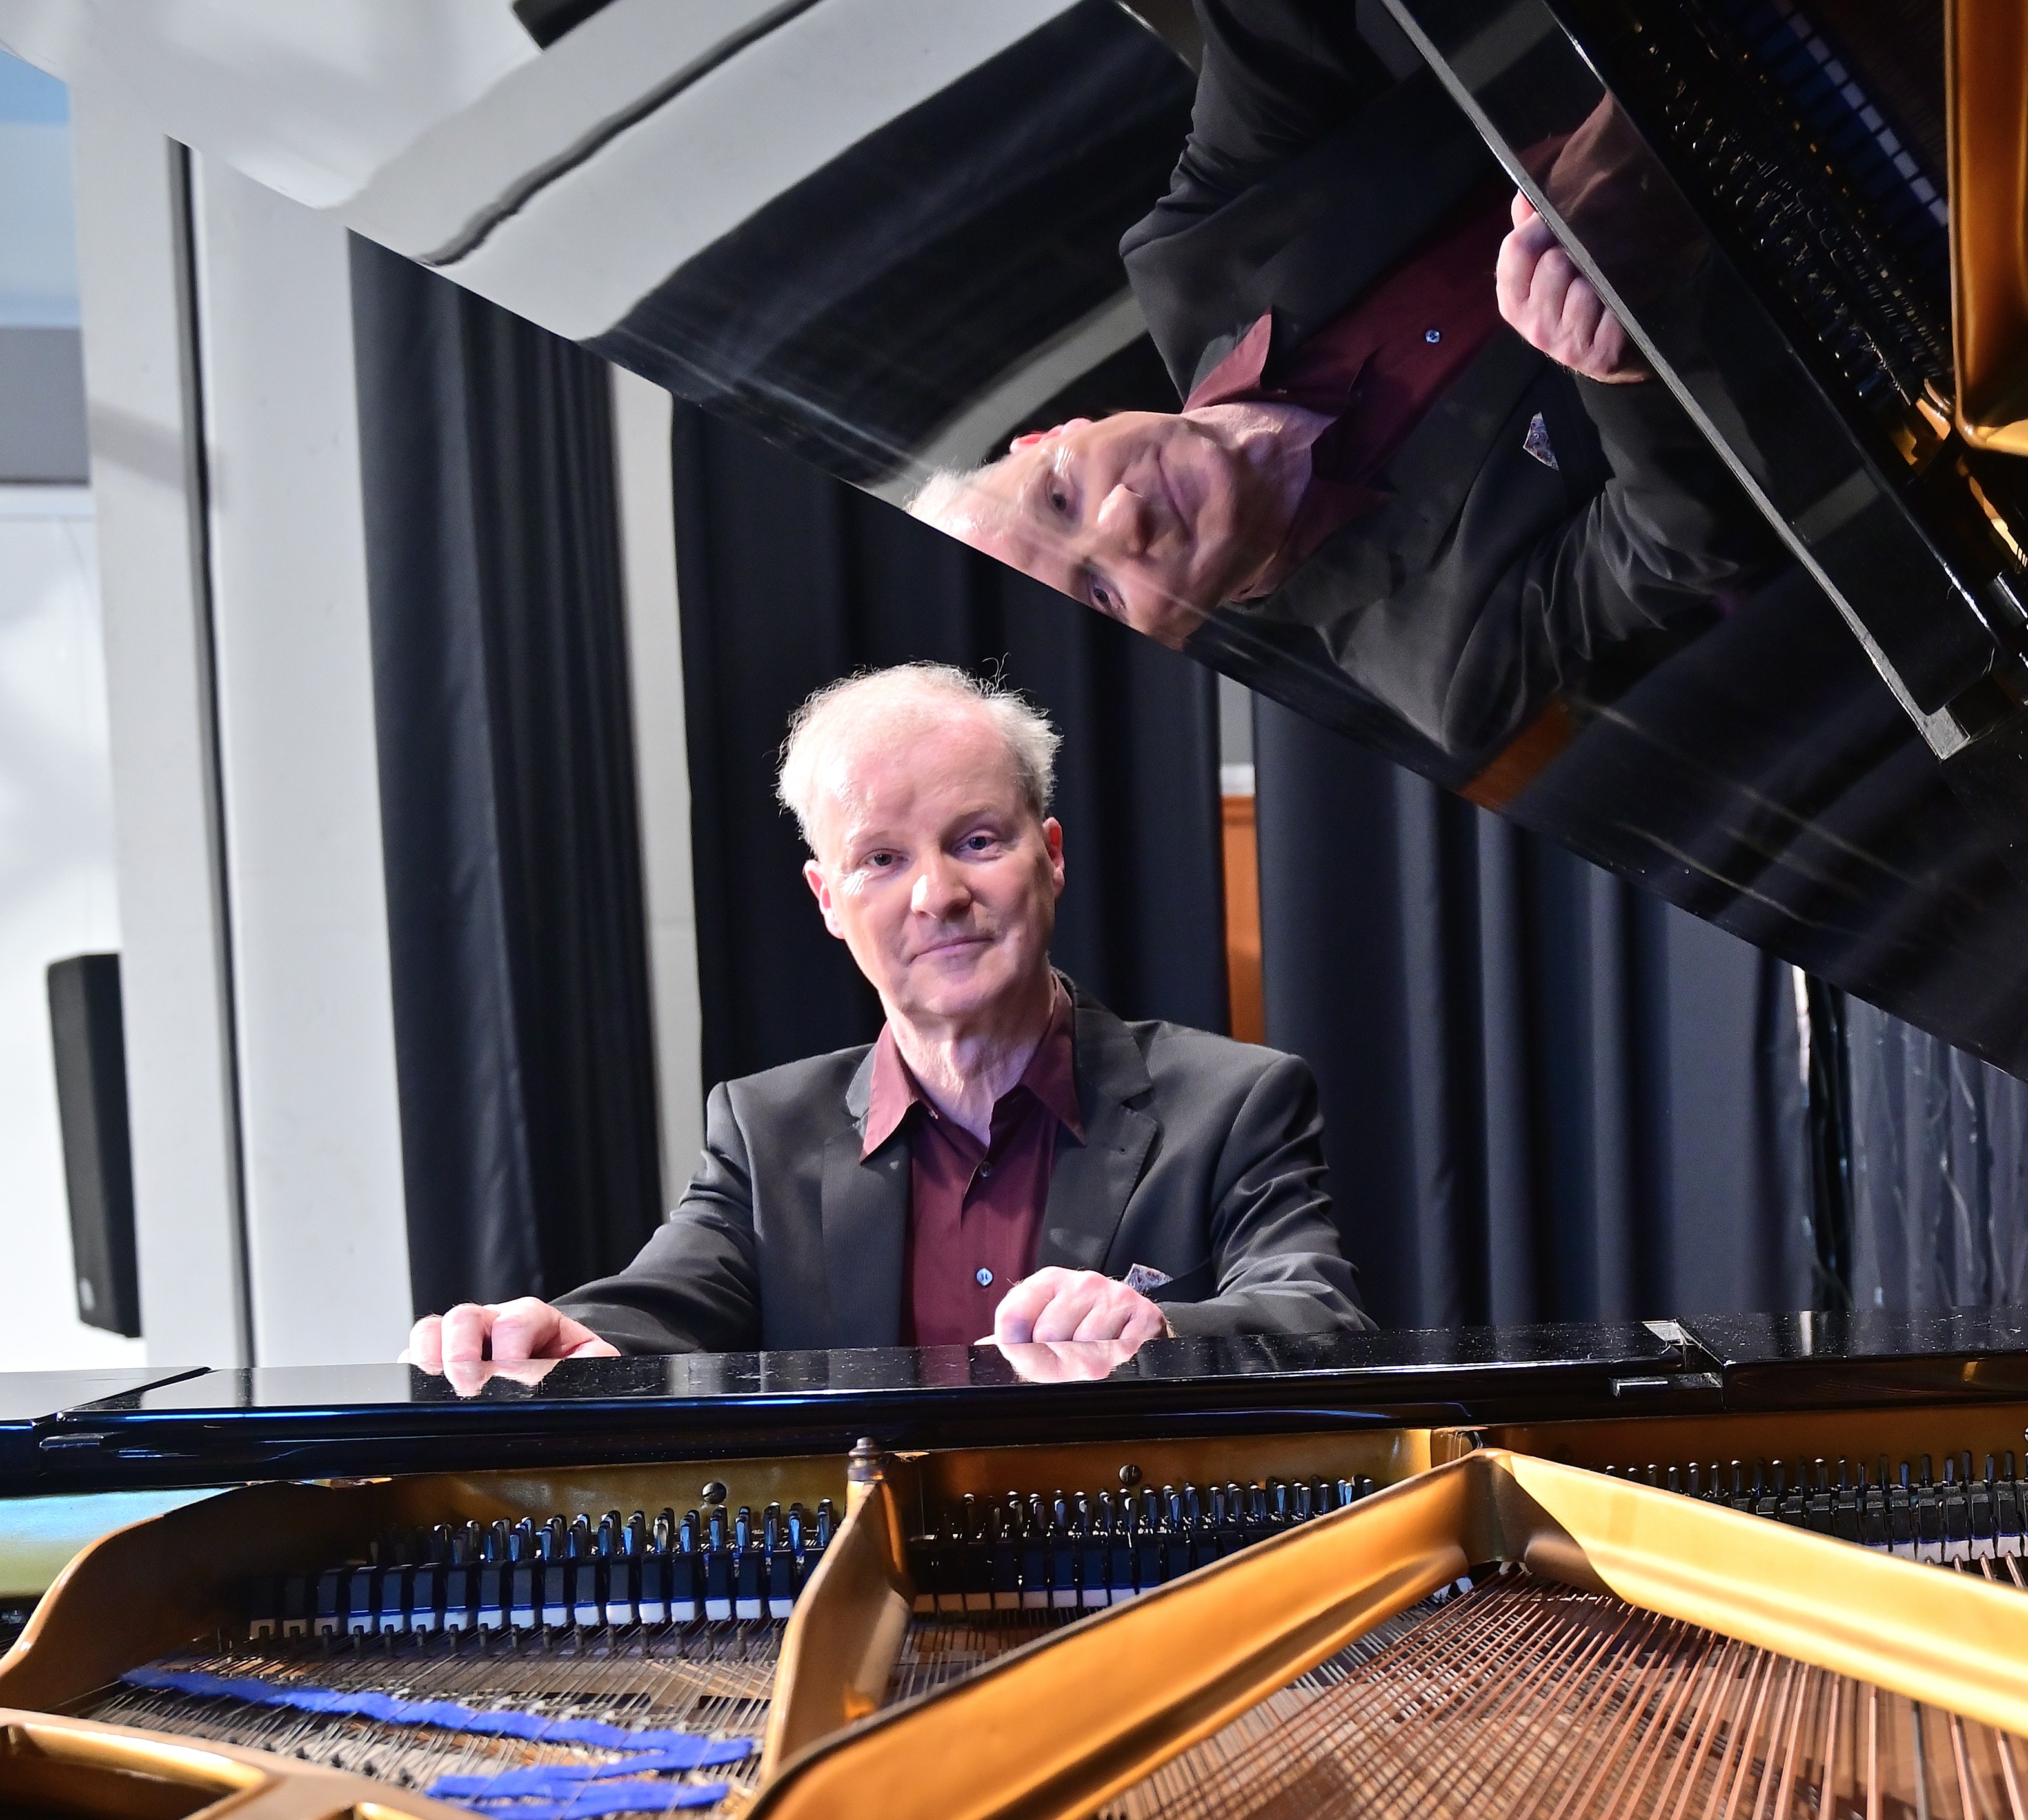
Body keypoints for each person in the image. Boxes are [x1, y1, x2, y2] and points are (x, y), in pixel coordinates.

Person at [403, 663, 1369, 1385]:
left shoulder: (1234, 1102)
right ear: (828, 900)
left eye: (976, 841)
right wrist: (558, 1335)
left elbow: (1322, 1319)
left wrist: (1163, 1331)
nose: (937, 895)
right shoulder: (765, 1133)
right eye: (881, 860)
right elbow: (662, 1305)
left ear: (1051, 856)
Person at [912, 0, 1763, 766]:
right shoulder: (1445, 665)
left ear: (1051, 436)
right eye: (1101, 595)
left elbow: (1270, 31)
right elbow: (1686, 539)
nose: (1123, 518)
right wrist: (1619, 367)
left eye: (1059, 499)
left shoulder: (1195, 255)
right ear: (1161, 645)